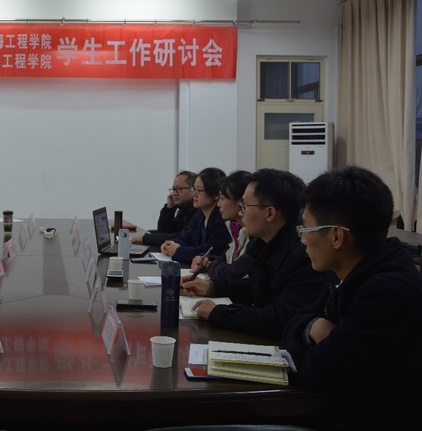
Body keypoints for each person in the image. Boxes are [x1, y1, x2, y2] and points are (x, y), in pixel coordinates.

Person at [283, 166, 422, 430]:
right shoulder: (349, 270)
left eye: (306, 229)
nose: (302, 240)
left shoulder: (389, 293)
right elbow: (293, 322)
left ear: (336, 236)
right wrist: (315, 327)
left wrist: (311, 339)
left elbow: (322, 373)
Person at [181, 168, 327, 339]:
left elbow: (281, 318)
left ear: (270, 213)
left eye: (244, 206)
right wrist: (212, 287)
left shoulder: (303, 254)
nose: (241, 212)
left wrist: (218, 313)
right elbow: (257, 287)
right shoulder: (262, 242)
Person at [189, 170, 253, 281]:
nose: (218, 204)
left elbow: (234, 272)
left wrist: (210, 266)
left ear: (241, 203)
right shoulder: (235, 228)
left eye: (222, 198)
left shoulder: (254, 236)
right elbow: (224, 259)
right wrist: (207, 259)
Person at [159, 167, 231, 264]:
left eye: (199, 190)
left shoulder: (222, 220)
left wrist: (177, 251)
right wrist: (170, 244)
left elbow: (208, 251)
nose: (194, 194)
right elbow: (185, 238)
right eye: (194, 189)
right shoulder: (200, 216)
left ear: (215, 195)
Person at [132, 171, 197, 247]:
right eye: (173, 189)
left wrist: (146, 238)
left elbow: (181, 237)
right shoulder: (183, 209)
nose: (174, 193)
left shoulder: (199, 211)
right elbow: (163, 232)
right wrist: (169, 208)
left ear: (193, 189)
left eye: (179, 189)